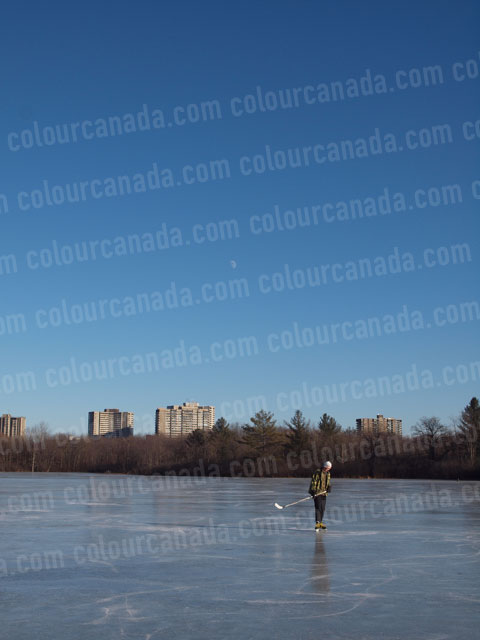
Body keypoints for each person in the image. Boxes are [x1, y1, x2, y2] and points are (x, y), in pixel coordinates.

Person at [308, 461, 332, 530]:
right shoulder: (318, 472)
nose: (329, 469)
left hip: (324, 493)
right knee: (318, 507)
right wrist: (313, 491)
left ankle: (320, 522)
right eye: (328, 468)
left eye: (329, 468)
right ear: (325, 467)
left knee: (322, 508)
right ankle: (317, 523)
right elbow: (314, 482)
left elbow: (328, 482)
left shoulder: (328, 473)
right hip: (317, 492)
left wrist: (329, 487)